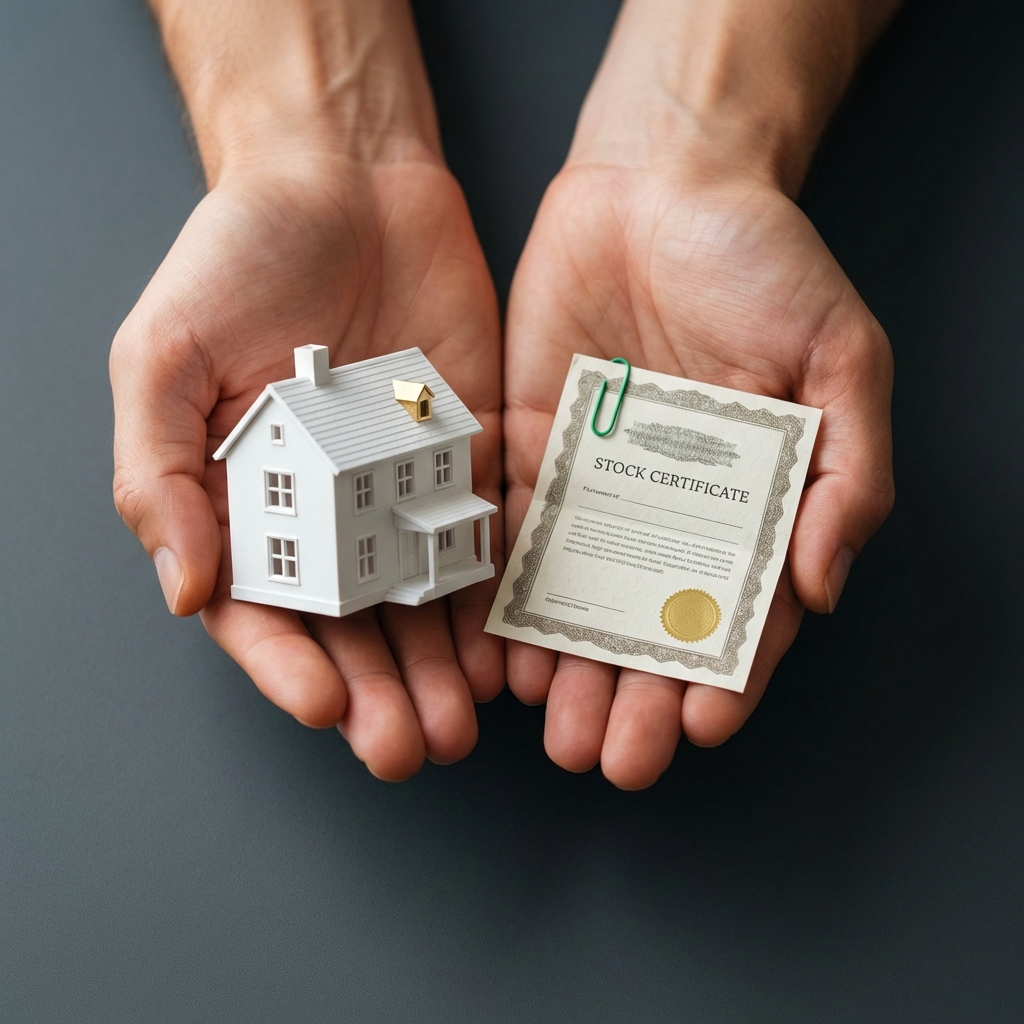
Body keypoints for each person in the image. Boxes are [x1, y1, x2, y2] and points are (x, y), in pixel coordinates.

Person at [110, 0, 897, 788]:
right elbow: (402, 420)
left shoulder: (405, 425)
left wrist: (699, 141)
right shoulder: (360, 425)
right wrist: (311, 146)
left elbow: (416, 420)